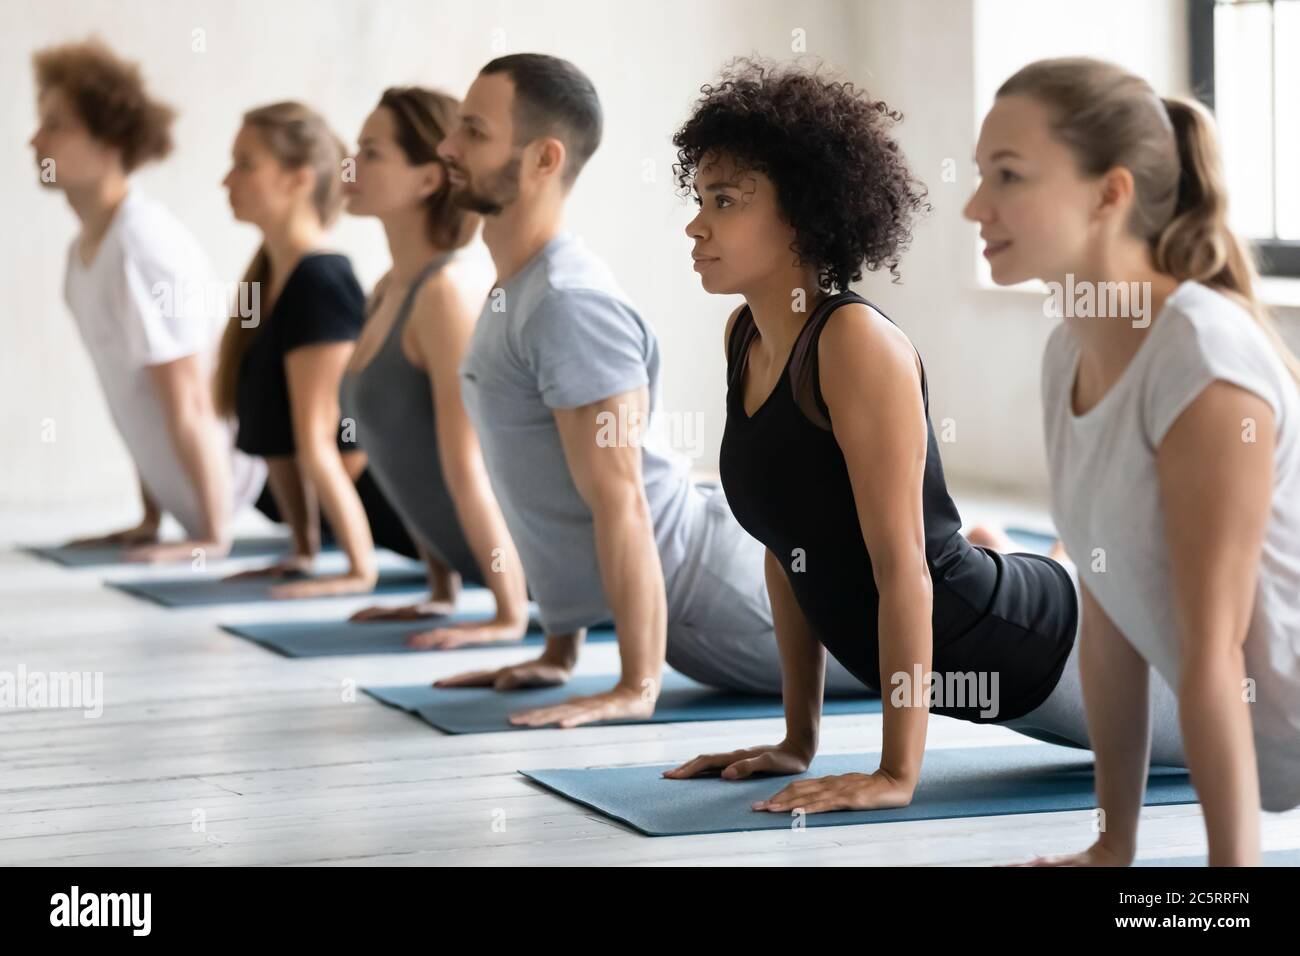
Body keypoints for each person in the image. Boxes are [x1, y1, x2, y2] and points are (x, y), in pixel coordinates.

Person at [663, 58, 1185, 816]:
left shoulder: (852, 344)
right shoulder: (747, 335)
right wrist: (795, 740)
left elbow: (906, 570)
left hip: (1052, 649)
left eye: (726, 200)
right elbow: (787, 550)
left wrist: (895, 773)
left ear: (802, 214)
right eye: (699, 197)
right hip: (998, 653)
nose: (696, 222)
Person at [433, 53, 866, 727]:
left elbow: (621, 496)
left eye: (473, 132)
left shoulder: (564, 302)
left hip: (733, 606)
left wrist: (636, 686)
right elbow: (546, 484)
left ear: (544, 159)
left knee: (942, 650)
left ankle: (1005, 569)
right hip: (704, 609)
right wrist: (559, 650)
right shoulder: (519, 288)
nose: (447, 147)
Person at [965, 57, 1300, 866]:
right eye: (980, 175)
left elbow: (1213, 649)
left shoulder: (1202, 356)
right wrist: (1114, 843)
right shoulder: (1068, 351)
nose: (976, 206)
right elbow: (1108, 605)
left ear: (1110, 194)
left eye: (1008, 176)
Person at [31, 38, 263, 562]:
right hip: (198, 501)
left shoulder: (140, 244)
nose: (35, 141)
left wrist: (212, 535)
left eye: (56, 124)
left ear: (110, 141)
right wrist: (150, 519)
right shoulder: (84, 252)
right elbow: (131, 397)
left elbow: (190, 400)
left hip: (247, 495)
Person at [339, 86, 530, 647]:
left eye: (371, 152)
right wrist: (440, 590)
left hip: (541, 578)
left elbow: (470, 465)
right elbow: (405, 454)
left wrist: (507, 614)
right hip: (469, 569)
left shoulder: (442, 295)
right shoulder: (386, 291)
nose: (350, 165)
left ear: (428, 179)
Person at [214, 101, 417, 599]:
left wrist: (355, 570)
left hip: (394, 513)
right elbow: (279, 439)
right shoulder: (266, 278)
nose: (226, 181)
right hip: (346, 517)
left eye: (246, 164)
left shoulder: (321, 280)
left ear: (299, 178)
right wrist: (302, 552)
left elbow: (320, 438)